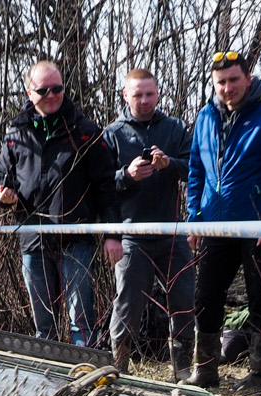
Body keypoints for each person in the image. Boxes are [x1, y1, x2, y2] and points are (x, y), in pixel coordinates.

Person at [185, 50, 261, 393]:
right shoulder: (205, 117)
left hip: (258, 226)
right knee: (205, 297)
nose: (227, 87)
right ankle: (205, 371)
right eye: (221, 82)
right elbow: (195, 171)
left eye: (234, 80)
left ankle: (259, 375)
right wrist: (194, 218)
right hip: (215, 225)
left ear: (248, 79)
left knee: (260, 299)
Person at [0, 61, 122, 348]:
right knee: (44, 328)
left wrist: (113, 234)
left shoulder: (85, 131)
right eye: (43, 90)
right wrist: (1, 194)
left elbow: (106, 187)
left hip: (76, 239)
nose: (51, 95)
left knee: (81, 324)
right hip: (33, 241)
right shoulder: (16, 134)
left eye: (57, 88)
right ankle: (48, 374)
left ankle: (86, 371)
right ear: (29, 93)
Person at [102, 69, 194, 377]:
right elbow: (101, 187)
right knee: (127, 302)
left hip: (171, 231)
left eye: (149, 94)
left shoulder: (175, 128)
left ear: (158, 94)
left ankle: (182, 370)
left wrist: (168, 164)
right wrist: (126, 175)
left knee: (183, 299)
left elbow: (195, 170)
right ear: (125, 96)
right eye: (137, 95)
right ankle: (119, 366)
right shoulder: (113, 134)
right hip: (131, 235)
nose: (144, 100)